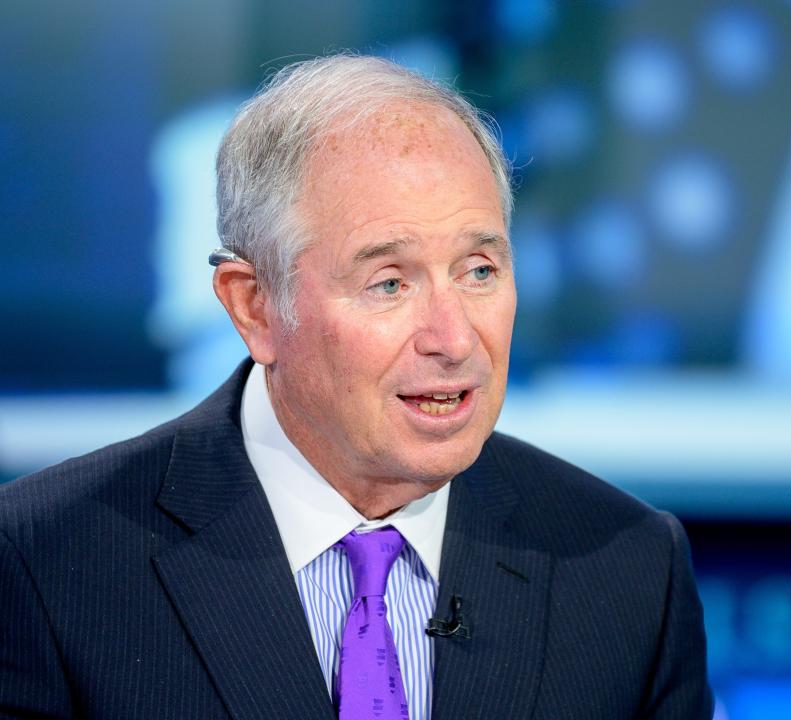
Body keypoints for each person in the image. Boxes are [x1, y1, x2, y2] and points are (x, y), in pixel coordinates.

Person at [0, 55, 712, 719]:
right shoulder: (45, 565)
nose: (455, 338)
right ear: (254, 306)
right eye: (389, 283)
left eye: (480, 271)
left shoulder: (629, 572)